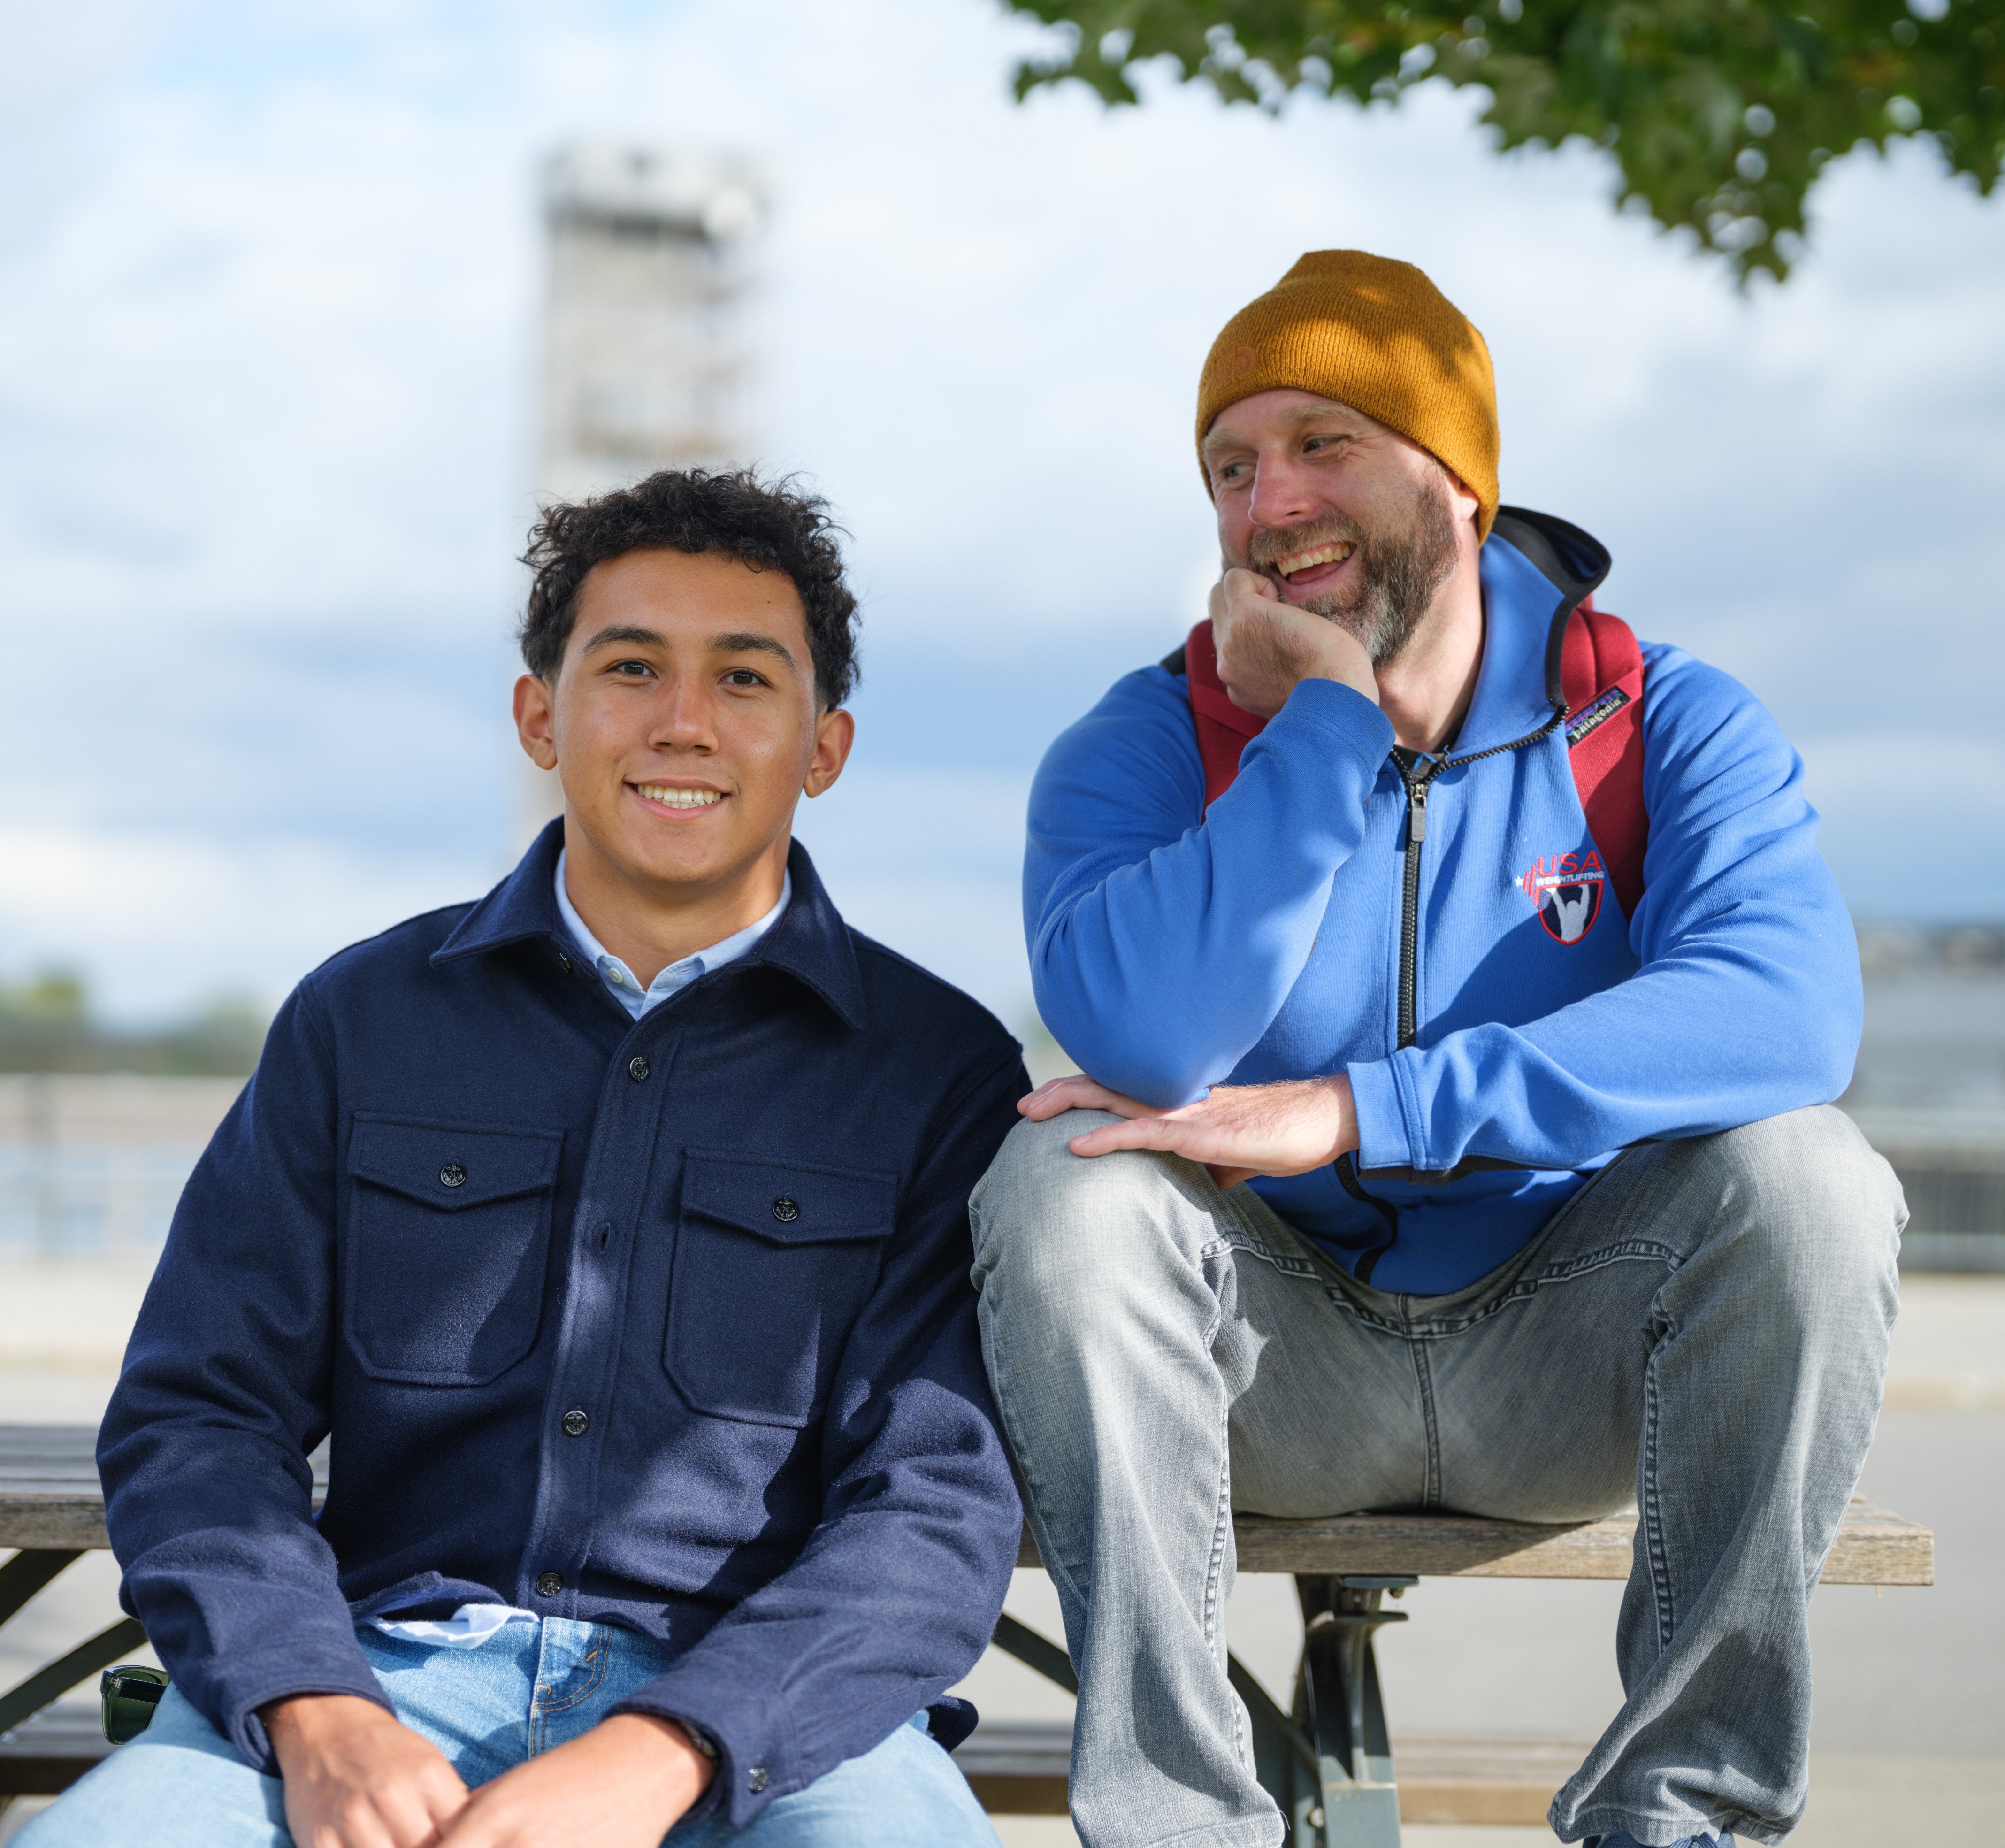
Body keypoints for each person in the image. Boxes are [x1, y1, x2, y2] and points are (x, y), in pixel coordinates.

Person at [970, 253, 1903, 1848]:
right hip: (1268, 1367)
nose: (1272, 502)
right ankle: (1183, 1827)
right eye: (1231, 467)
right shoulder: (1143, 742)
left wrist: (1363, 1108)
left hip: (1580, 1354)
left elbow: (1790, 1009)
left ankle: (1679, 1819)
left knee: (1814, 1179)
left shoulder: (1657, 717)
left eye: (1323, 443)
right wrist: (1326, 729)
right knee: (1068, 1175)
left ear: (1461, 480)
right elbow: (1145, 1039)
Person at [26, 469, 1027, 1848]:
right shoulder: (362, 1020)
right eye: (631, 667)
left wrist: (666, 1751)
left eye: (745, 677)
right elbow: (200, 1415)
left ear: (825, 745)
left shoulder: (938, 1071)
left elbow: (931, 1507)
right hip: (374, 1682)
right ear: (540, 716)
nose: (684, 721)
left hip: (770, 1728)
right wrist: (315, 1707)